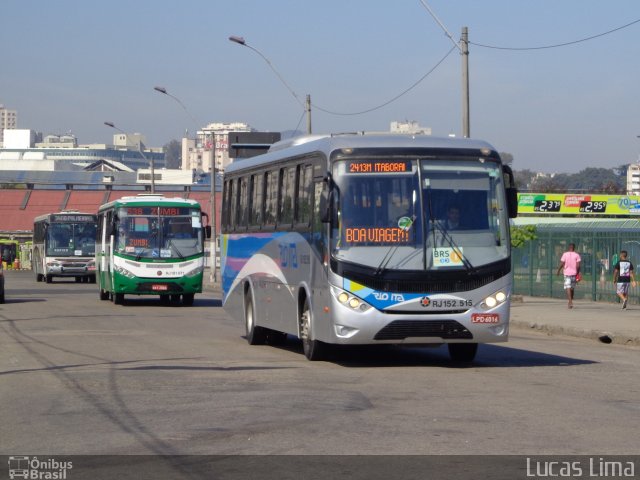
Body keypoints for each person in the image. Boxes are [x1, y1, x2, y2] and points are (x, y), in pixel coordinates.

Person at [556, 243, 581, 309]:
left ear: (569, 247)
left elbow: (562, 263)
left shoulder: (565, 254)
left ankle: (570, 301)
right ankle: (570, 301)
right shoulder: (577, 255)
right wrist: (578, 273)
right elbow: (578, 266)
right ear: (574, 248)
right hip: (574, 273)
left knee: (569, 288)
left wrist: (558, 270)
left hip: (567, 273)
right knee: (571, 288)